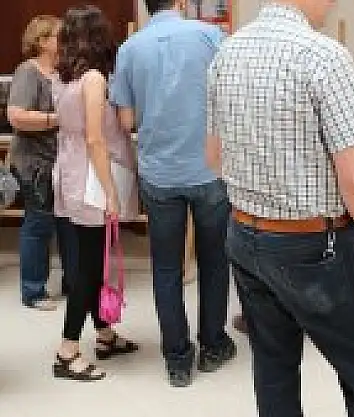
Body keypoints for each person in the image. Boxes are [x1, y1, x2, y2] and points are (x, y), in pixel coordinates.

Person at [207, 1, 354, 415]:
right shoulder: (324, 55)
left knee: (273, 369)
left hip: (245, 234)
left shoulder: (227, 51)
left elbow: (214, 157)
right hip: (315, 243)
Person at [109, 0, 235, 387]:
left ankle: (177, 360)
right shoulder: (212, 36)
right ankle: (213, 345)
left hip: (160, 173)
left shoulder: (130, 48)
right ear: (181, 2)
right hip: (209, 169)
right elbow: (233, 95)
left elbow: (126, 119)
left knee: (166, 268)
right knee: (215, 261)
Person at [52, 5, 139, 381]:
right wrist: (111, 193)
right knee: (88, 269)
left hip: (72, 173)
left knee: (92, 259)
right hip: (92, 178)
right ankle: (67, 350)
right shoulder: (93, 80)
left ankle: (104, 334)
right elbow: (95, 139)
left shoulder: (65, 78)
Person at [7, 15, 78, 310]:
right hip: (34, 164)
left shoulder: (63, 72)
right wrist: (57, 119)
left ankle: (73, 283)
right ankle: (33, 291)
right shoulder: (28, 72)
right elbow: (16, 116)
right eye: (59, 35)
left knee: (68, 224)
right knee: (38, 224)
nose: (66, 39)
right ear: (42, 41)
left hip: (61, 162)